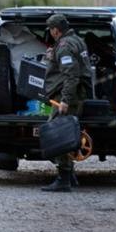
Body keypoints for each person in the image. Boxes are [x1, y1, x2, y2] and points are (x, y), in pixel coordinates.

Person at [41, 14, 92, 192]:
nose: (50, 32)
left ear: (56, 30)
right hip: (77, 94)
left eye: (51, 29)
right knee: (67, 134)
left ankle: (63, 179)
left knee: (57, 135)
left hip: (69, 96)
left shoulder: (64, 46)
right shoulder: (76, 40)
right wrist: (53, 55)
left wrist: (65, 101)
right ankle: (70, 176)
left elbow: (71, 75)